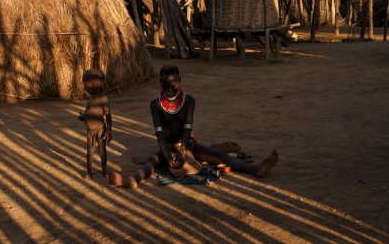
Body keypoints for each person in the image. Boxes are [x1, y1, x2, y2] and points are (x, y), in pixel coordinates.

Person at [108, 65, 278, 189]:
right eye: (165, 86)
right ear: (160, 82)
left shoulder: (189, 101)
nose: (169, 90)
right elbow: (158, 132)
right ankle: (133, 180)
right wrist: (167, 156)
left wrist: (182, 152)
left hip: (187, 143)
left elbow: (188, 128)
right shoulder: (155, 105)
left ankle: (255, 169)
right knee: (151, 162)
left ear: (180, 81)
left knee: (220, 156)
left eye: (173, 86)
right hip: (167, 147)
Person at [77, 68, 112, 179]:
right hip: (90, 129)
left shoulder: (102, 99)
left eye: (85, 85)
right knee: (89, 151)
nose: (85, 88)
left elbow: (108, 116)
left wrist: (109, 131)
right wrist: (84, 117)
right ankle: (89, 171)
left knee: (102, 151)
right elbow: (91, 111)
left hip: (100, 129)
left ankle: (104, 170)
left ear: (92, 84)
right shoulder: (92, 98)